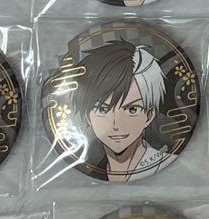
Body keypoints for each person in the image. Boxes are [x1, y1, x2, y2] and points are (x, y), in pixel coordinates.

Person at [71, 41, 176, 180]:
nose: (116, 125)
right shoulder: (86, 172)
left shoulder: (169, 168)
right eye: (102, 109)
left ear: (149, 115)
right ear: (87, 117)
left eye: (132, 109)